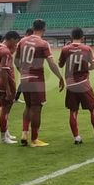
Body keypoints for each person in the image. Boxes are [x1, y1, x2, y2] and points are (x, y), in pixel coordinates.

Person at [15, 19, 65, 147]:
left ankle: (24, 133)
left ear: (32, 27)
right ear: (44, 29)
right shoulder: (43, 43)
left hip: (24, 78)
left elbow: (16, 61)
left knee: (28, 106)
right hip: (36, 80)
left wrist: (22, 71)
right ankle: (34, 139)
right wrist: (60, 77)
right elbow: (51, 63)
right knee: (37, 108)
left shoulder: (22, 41)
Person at [58, 28, 94, 145]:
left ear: (71, 37)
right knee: (93, 108)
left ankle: (77, 138)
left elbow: (60, 65)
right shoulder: (87, 49)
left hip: (70, 85)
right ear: (83, 38)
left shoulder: (65, 49)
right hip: (83, 83)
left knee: (73, 111)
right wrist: (85, 68)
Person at [0, 31, 20, 144]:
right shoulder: (5, 52)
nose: (16, 44)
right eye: (16, 41)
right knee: (5, 111)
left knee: (5, 112)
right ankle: (3, 137)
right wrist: (8, 90)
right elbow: (4, 71)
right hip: (5, 84)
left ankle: (6, 133)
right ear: (12, 39)